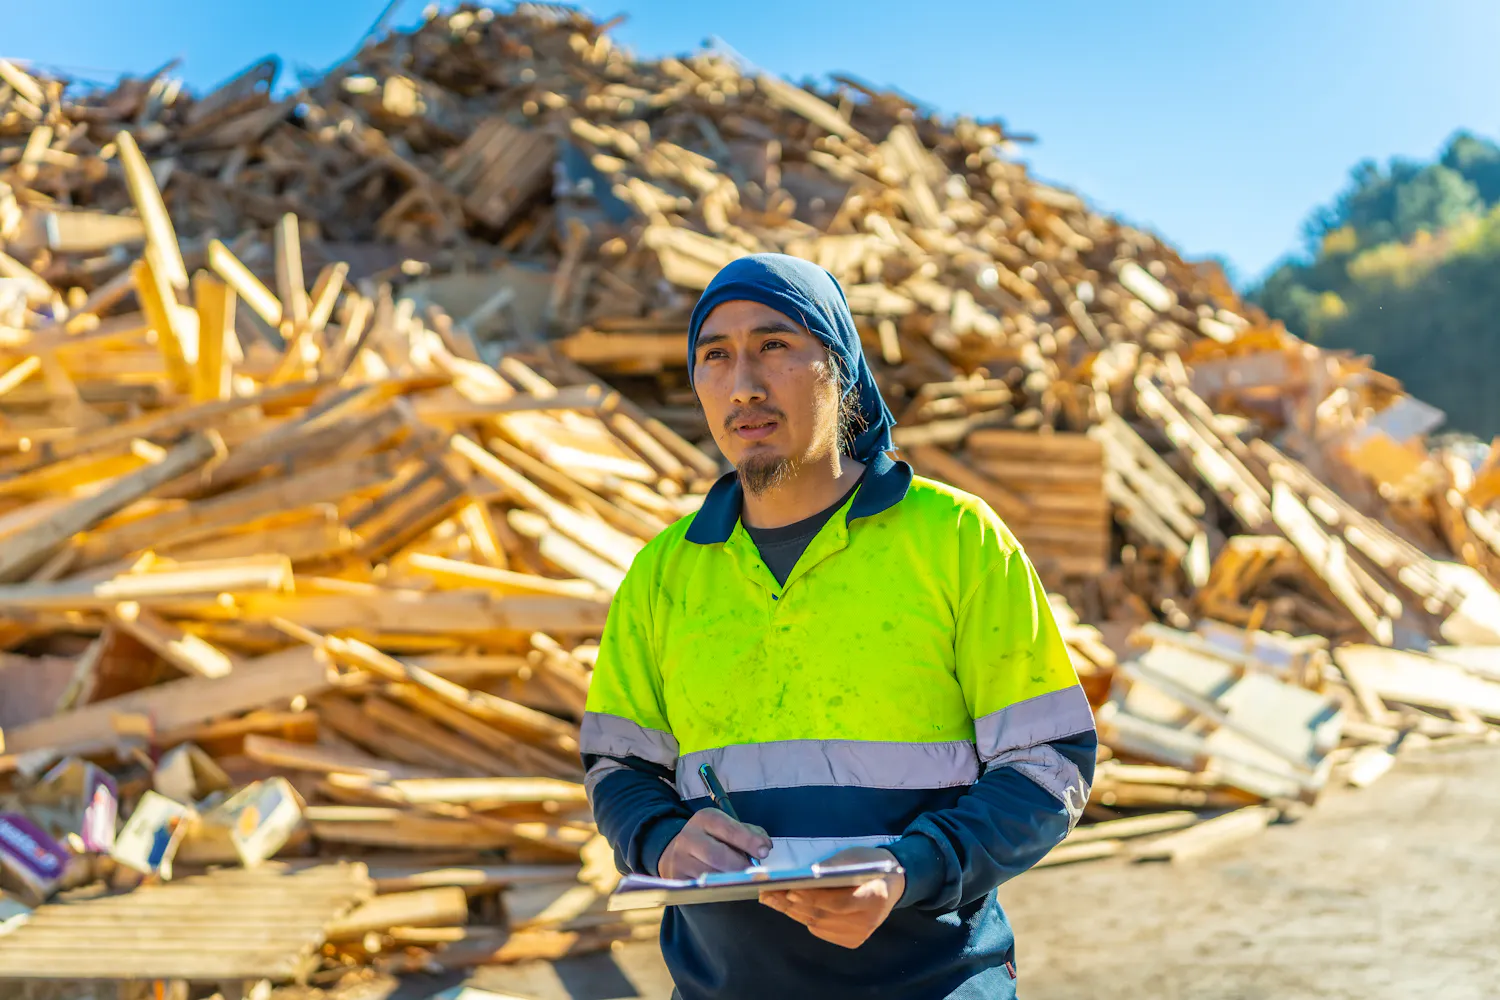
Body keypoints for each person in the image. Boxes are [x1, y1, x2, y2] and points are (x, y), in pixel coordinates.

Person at [581, 253, 1097, 1000]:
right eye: (715, 355)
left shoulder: (957, 541)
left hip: (934, 984)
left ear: (842, 366)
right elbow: (619, 767)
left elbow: (1049, 766)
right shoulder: (664, 573)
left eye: (774, 345)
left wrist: (907, 870)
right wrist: (660, 840)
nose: (744, 385)